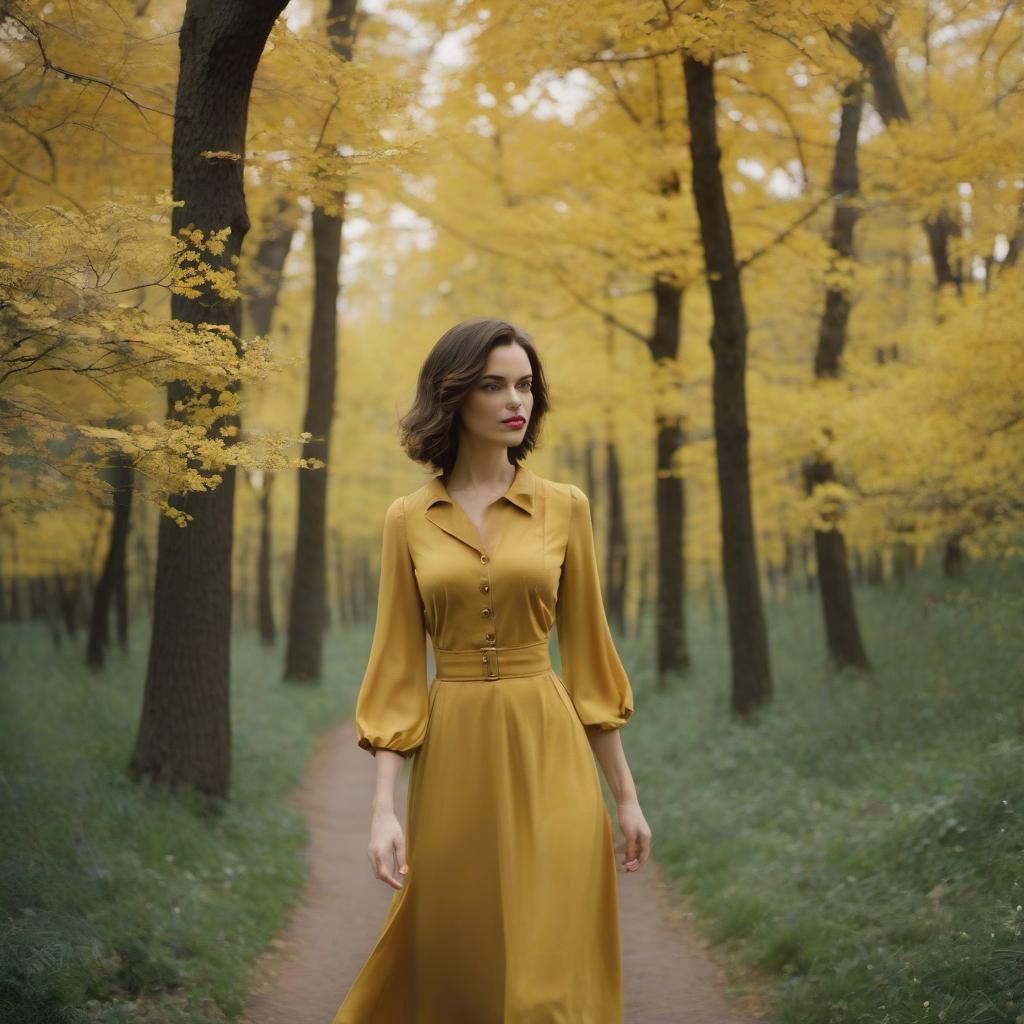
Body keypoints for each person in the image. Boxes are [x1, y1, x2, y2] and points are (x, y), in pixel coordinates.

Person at [332, 317, 652, 1023]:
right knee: (463, 962)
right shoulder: (407, 520)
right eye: (493, 385)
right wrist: (383, 808)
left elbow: (592, 661)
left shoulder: (567, 508)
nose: (517, 401)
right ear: (454, 398)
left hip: (551, 751)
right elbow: (394, 670)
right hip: (454, 760)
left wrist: (625, 797)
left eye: (525, 385)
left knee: (545, 981)